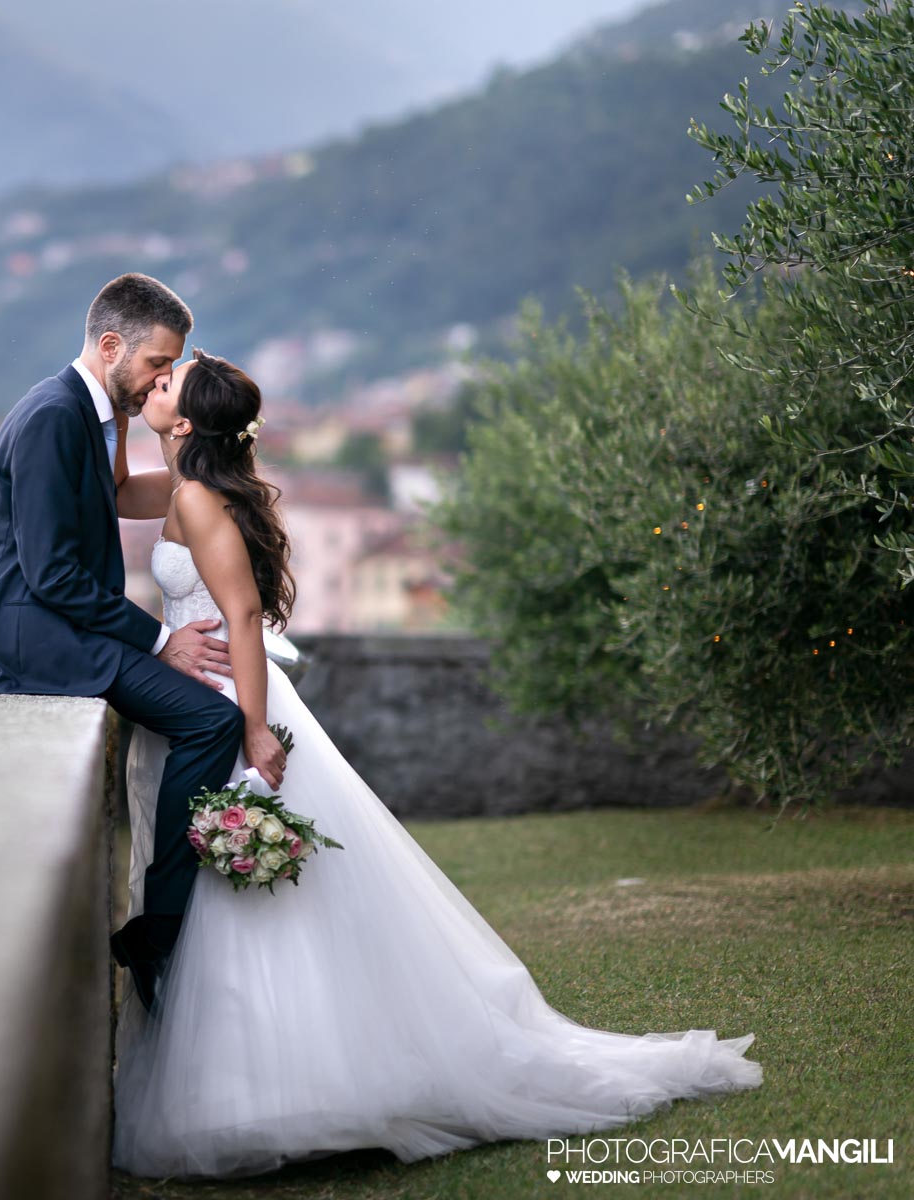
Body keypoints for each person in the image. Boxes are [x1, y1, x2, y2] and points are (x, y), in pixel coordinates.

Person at [110, 348, 763, 1179]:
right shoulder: (178, 487)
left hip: (237, 705)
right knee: (235, 898)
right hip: (203, 700)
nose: (153, 382)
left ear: (193, 420)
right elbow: (111, 490)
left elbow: (240, 616)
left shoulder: (199, 498)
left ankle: (291, 1089)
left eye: (165, 383)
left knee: (258, 897)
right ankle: (271, 1081)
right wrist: (122, 408)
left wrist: (254, 733)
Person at [0, 274, 245, 1013]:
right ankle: (161, 923)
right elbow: (49, 574)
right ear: (112, 346)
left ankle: (160, 917)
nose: (157, 383)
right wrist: (159, 639)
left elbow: (125, 499)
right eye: (153, 366)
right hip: (26, 633)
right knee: (212, 719)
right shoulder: (53, 415)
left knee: (210, 718)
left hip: (58, 625)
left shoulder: (90, 413)